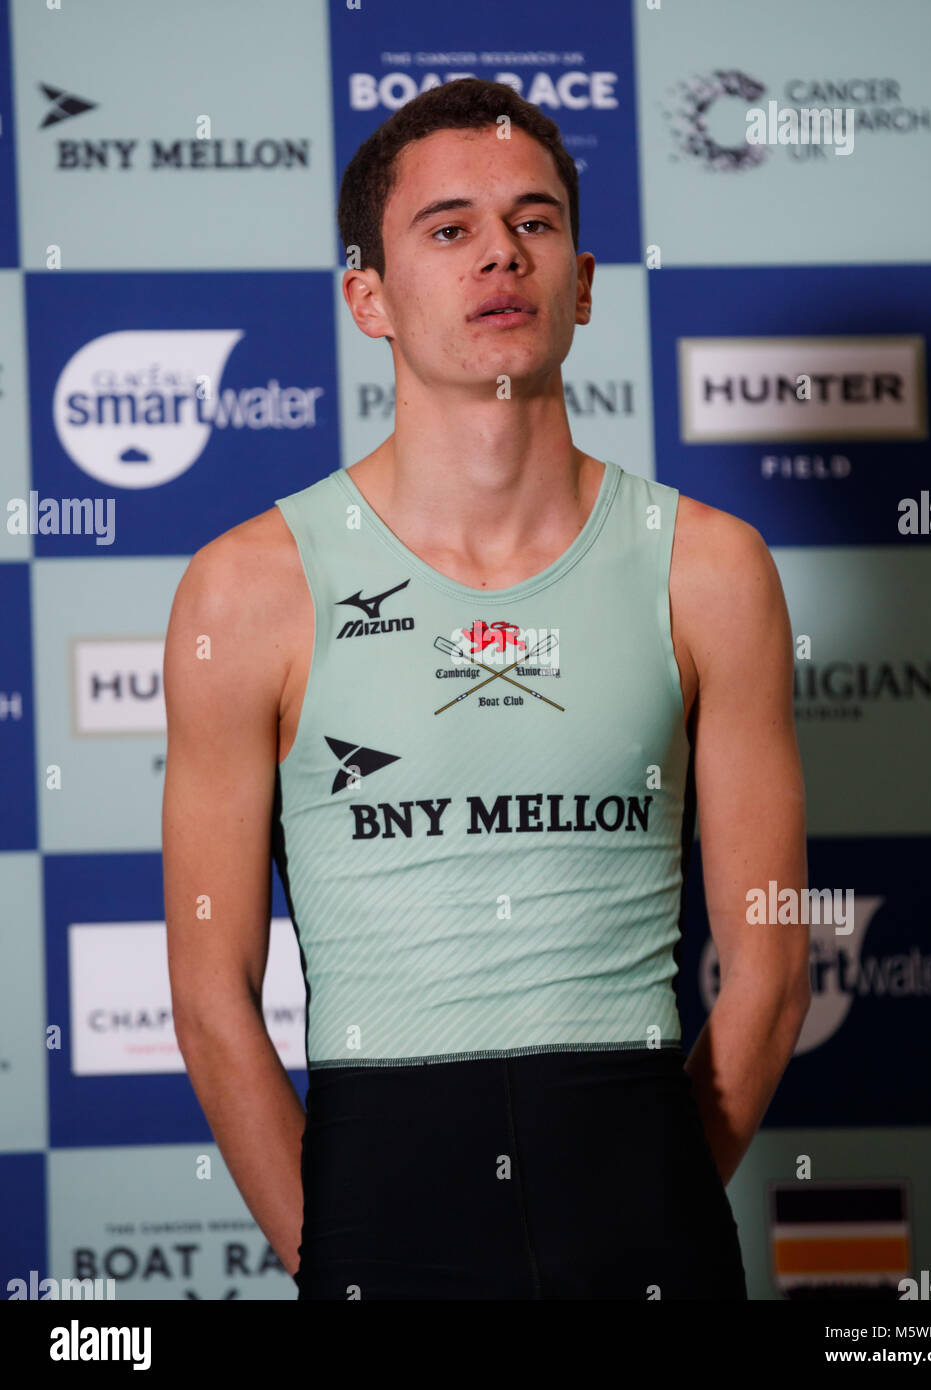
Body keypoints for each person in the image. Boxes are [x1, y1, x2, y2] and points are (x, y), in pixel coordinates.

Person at [162, 77, 810, 1300]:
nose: (499, 254)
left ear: (582, 278)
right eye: (447, 228)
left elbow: (769, 974)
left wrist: (641, 1194)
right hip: (379, 1214)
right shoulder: (244, 590)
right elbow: (209, 998)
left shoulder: (710, 568)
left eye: (535, 220)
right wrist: (344, 1245)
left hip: (644, 1212)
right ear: (369, 297)